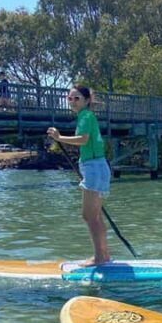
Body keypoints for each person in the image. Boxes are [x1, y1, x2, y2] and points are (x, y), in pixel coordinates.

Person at [47, 86, 111, 266]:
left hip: (93, 167)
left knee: (89, 216)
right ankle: (104, 255)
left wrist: (59, 138)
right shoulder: (87, 116)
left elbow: (83, 139)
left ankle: (99, 258)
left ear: (87, 100)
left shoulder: (85, 116)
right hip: (99, 166)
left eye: (76, 98)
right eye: (70, 98)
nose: (72, 102)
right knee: (96, 216)